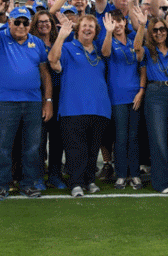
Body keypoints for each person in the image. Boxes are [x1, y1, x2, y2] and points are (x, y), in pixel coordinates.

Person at [0, 0, 53, 200]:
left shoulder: (37, 43)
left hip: (33, 102)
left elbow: (45, 74)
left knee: (32, 146)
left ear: (30, 25)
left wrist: (48, 101)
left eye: (25, 22)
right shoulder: (0, 37)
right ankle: (2, 184)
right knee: (2, 145)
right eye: (17, 22)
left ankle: (28, 183)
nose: (21, 26)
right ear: (10, 22)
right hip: (5, 102)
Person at [49, 14, 111, 197]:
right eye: (84, 25)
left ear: (96, 31)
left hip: (99, 108)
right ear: (78, 29)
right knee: (76, 149)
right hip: (73, 108)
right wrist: (61, 35)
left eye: (91, 26)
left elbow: (108, 52)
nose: (88, 29)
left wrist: (109, 32)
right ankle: (76, 182)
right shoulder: (68, 48)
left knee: (93, 149)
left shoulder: (100, 50)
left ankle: (89, 180)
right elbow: (53, 61)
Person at [132, 8, 168, 193]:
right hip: (155, 94)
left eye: (162, 29)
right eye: (155, 30)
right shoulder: (148, 52)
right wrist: (141, 25)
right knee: (158, 140)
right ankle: (162, 182)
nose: (159, 33)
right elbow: (136, 48)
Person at [101, 10, 145, 190]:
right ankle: (121, 174)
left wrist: (141, 91)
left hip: (135, 95)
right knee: (120, 137)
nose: (117, 25)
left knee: (133, 137)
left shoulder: (134, 37)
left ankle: (134, 174)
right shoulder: (108, 40)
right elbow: (105, 53)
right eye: (113, 22)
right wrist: (109, 32)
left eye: (119, 21)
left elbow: (141, 63)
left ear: (125, 22)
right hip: (117, 96)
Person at [31, 10, 65, 190]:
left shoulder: (59, 42)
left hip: (59, 93)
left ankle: (55, 175)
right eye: (40, 22)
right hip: (38, 94)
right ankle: (37, 177)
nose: (44, 24)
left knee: (57, 138)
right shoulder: (31, 43)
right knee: (39, 138)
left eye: (47, 21)